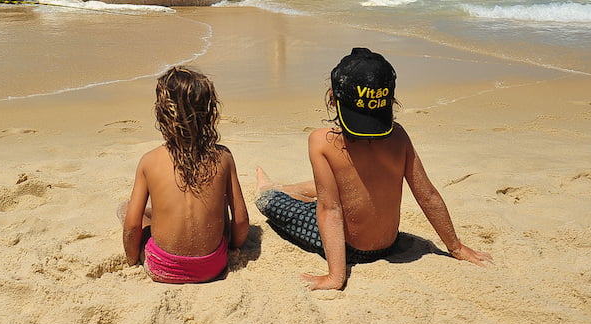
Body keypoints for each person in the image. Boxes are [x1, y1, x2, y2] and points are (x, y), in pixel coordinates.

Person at [255, 47, 492, 290]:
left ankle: (271, 188)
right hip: (389, 242)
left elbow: (330, 209)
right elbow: (427, 195)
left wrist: (336, 276)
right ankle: (284, 186)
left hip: (350, 249)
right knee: (338, 185)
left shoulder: (321, 142)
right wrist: (456, 247)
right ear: (390, 101)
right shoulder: (398, 136)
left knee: (269, 201)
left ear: (332, 98)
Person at [122, 66, 249, 284]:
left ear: (162, 113)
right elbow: (241, 220)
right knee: (221, 209)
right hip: (213, 266)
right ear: (209, 112)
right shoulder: (223, 157)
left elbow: (132, 227)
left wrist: (133, 260)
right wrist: (233, 247)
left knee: (125, 209)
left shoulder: (150, 161)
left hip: (163, 267)